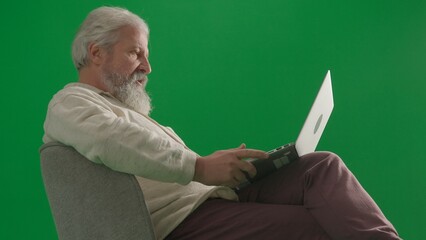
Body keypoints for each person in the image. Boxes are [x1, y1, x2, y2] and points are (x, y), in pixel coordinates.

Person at [42, 6, 400, 240]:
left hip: (209, 198)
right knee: (321, 224)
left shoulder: (119, 109)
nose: (147, 68)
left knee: (320, 166)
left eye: (146, 55)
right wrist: (198, 165)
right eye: (136, 52)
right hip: (182, 222)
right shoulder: (71, 104)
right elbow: (111, 141)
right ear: (96, 52)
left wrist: (226, 170)